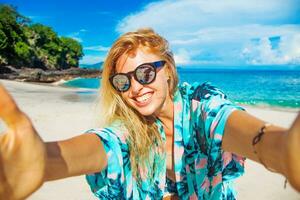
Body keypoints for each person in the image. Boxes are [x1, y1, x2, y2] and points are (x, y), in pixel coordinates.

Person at [0, 28, 299, 200]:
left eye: (144, 72)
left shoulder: (201, 105)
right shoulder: (129, 130)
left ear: (167, 71)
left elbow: (227, 122)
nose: (135, 87)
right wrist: (44, 161)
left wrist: (283, 149)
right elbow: (103, 145)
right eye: (123, 81)